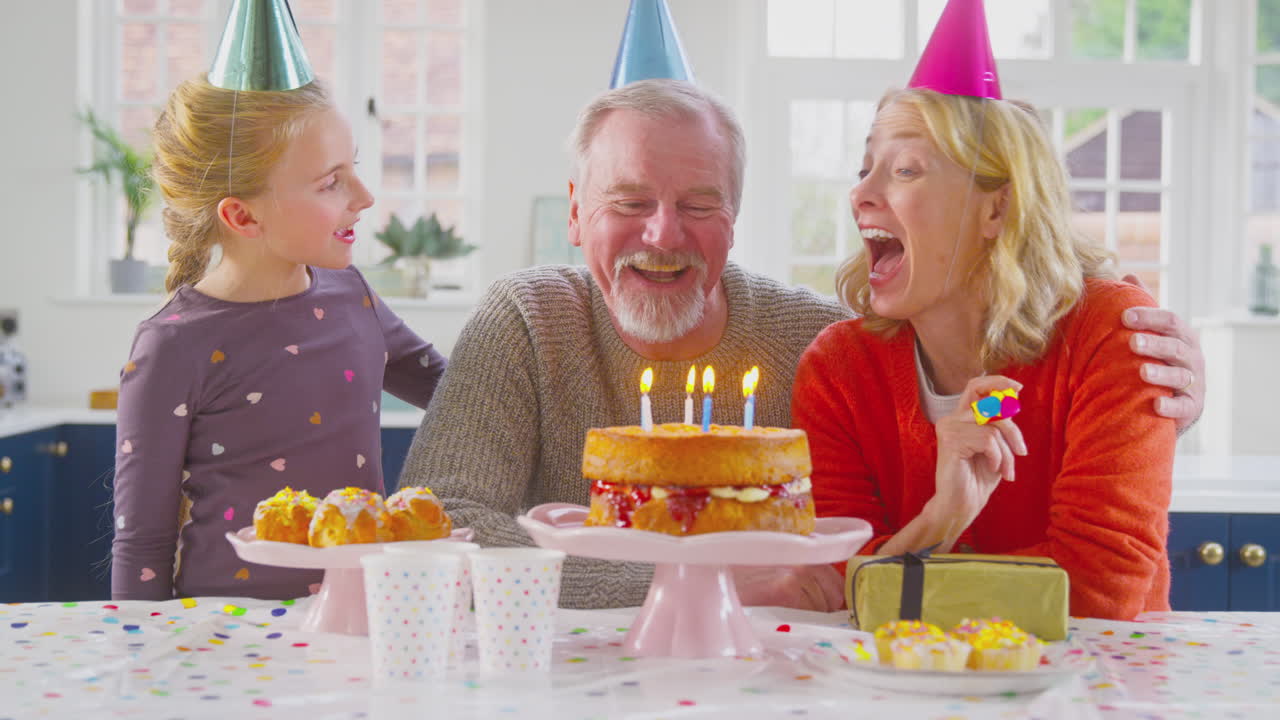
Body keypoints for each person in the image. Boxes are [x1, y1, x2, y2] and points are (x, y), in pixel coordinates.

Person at [399, 79, 1203, 610]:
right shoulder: (842, 359)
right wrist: (694, 586)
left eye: (699, 203)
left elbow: (844, 581)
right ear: (576, 212)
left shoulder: (816, 344)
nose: (662, 232)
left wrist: (1156, 406)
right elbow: (437, 524)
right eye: (630, 199)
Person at [790, 82, 1176, 620]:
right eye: (864, 171)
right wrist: (943, 519)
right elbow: (844, 590)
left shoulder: (1112, 336)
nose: (861, 195)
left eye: (905, 170)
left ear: (997, 208)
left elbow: (1096, 590)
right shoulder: (838, 370)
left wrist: (895, 581)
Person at [111, 73, 447, 600]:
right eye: (330, 182)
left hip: (361, 617)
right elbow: (142, 547)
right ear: (241, 215)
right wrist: (139, 654)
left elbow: (456, 391)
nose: (364, 196)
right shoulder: (172, 345)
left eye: (352, 169)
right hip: (225, 638)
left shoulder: (351, 293)